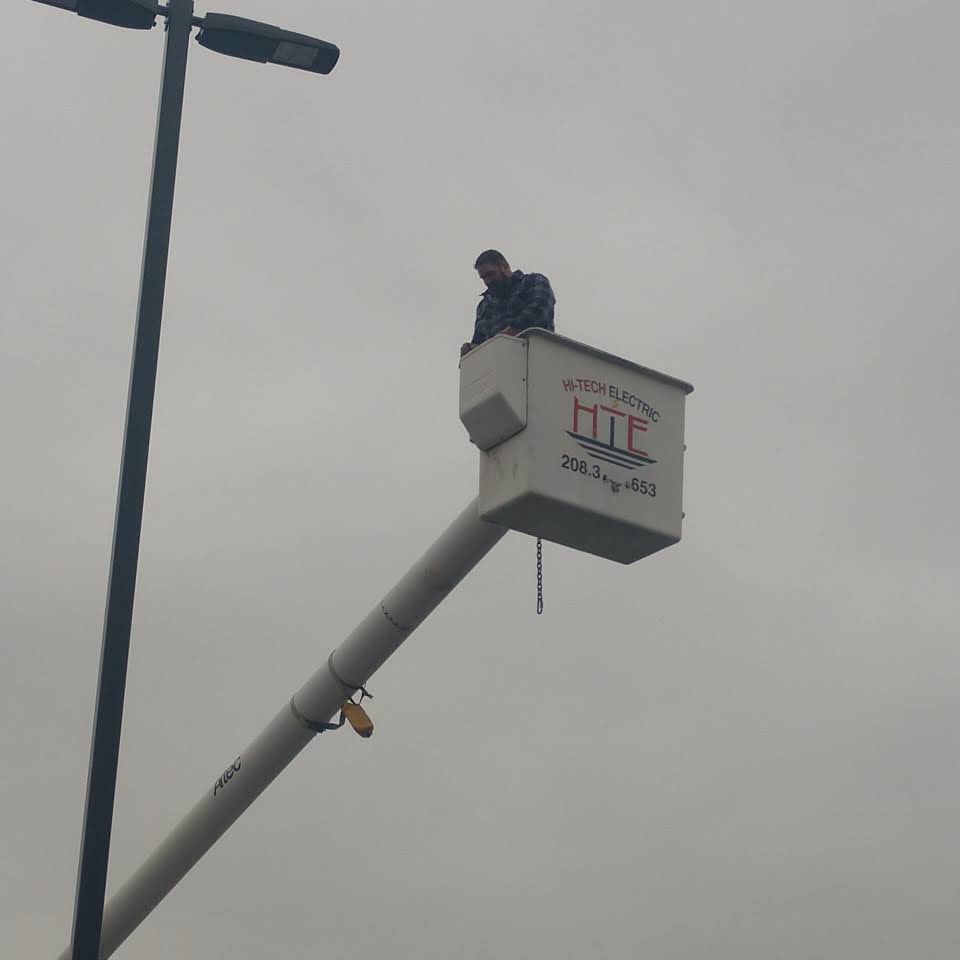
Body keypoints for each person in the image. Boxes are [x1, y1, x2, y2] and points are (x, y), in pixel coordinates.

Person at [461, 250, 556, 357]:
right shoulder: (484, 307)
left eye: (491, 274)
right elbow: (479, 341)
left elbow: (539, 311)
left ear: (505, 267)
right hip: (498, 367)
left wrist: (510, 333)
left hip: (534, 357)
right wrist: (470, 350)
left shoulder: (532, 282)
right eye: (483, 278)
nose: (487, 281)